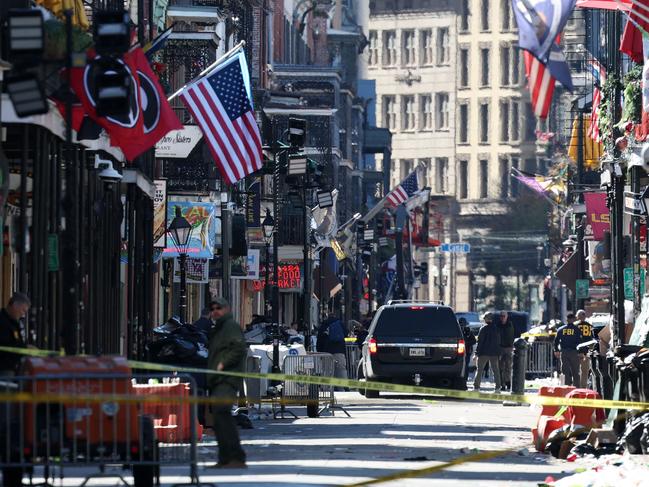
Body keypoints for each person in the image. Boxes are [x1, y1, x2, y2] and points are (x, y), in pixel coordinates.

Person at [206, 297, 247, 469]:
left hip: (227, 379)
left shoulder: (229, 326)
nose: (216, 311)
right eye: (213, 308)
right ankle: (225, 457)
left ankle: (235, 456)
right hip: (218, 379)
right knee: (219, 418)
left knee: (222, 414)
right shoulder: (218, 329)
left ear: (227, 309)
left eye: (219, 308)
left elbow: (238, 348)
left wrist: (223, 363)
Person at [0, 293, 30, 376]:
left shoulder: (16, 323)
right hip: (4, 368)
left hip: (16, 368)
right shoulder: (2, 321)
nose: (23, 314)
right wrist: (25, 348)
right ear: (15, 305)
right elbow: (6, 343)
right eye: (23, 310)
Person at [473, 312, 502, 392]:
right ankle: (498, 388)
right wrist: (499, 353)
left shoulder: (483, 329)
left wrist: (476, 354)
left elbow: (480, 342)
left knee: (479, 370)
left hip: (483, 353)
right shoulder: (497, 329)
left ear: (487, 319)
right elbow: (498, 342)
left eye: (485, 318)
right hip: (494, 353)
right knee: (496, 371)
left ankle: (476, 388)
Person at [553, 312, 582, 387]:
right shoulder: (577, 330)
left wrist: (556, 350)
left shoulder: (561, 329)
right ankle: (576, 388)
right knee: (575, 371)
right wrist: (581, 351)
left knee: (565, 371)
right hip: (574, 352)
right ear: (573, 319)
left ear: (567, 320)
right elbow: (580, 341)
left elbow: (556, 341)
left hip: (564, 352)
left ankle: (566, 387)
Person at [316, 314, 348, 380]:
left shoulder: (323, 325)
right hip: (339, 351)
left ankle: (327, 388)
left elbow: (319, 341)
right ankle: (342, 388)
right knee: (341, 370)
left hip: (326, 352)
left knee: (327, 371)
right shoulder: (340, 323)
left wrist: (319, 352)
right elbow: (346, 333)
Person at [576, 309, 594, 388]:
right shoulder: (589, 326)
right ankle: (583, 387)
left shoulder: (575, 326)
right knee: (585, 371)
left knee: (575, 371)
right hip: (586, 351)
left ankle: (576, 386)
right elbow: (592, 338)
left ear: (577, 317)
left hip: (577, 351)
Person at [498, 311, 515, 391]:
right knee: (501, 368)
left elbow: (516, 334)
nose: (502, 317)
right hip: (500, 348)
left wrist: (512, 345)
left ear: (507, 316)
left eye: (504, 316)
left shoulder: (511, 324)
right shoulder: (498, 325)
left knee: (508, 367)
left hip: (509, 348)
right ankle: (502, 384)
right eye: (501, 316)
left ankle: (508, 382)